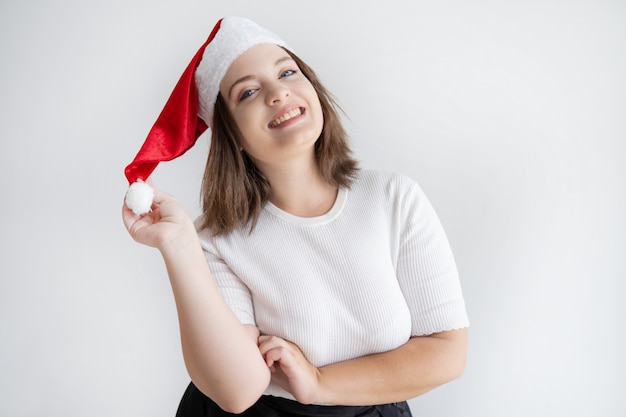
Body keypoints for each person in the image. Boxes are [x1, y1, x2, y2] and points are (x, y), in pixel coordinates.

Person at [122, 16, 469, 417]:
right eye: (248, 92)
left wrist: (320, 384)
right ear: (229, 134)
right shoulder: (215, 239)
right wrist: (179, 245)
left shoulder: (394, 198)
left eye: (287, 71)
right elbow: (236, 392)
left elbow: (447, 352)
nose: (277, 92)